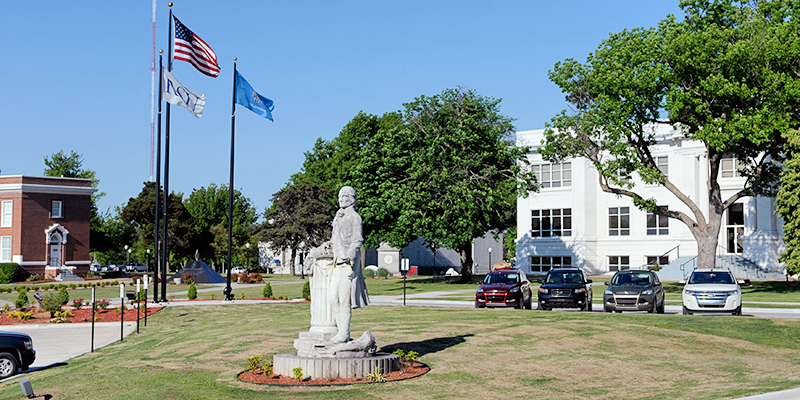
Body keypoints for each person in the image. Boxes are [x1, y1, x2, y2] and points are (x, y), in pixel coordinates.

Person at [328, 186, 369, 343]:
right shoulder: (339, 218)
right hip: (337, 262)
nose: (341, 198)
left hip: (348, 263)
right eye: (339, 196)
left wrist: (350, 255)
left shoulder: (355, 217)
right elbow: (334, 239)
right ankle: (341, 331)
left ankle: (344, 333)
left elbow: (358, 239)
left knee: (345, 299)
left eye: (345, 196)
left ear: (352, 199)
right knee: (333, 298)